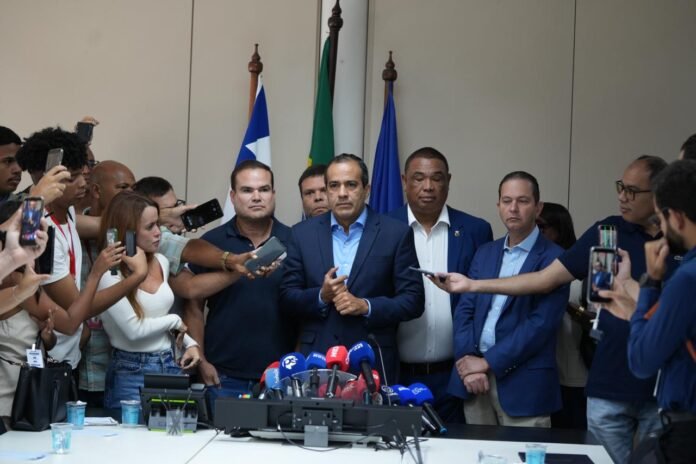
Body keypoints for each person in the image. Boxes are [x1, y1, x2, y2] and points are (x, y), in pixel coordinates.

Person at [434, 156, 674, 463]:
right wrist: (470, 349)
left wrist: (488, 361)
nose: (622, 197)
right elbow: (535, 284)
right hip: (608, 381)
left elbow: (541, 322)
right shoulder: (607, 231)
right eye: (621, 187)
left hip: (660, 382)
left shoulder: (680, 240)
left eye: (632, 191)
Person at [280, 154, 425, 382]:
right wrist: (321, 296)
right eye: (334, 186)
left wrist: (365, 306)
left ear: (366, 189)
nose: (342, 193)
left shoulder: (395, 233)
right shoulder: (301, 234)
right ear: (327, 191)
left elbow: (413, 301)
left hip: (372, 360)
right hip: (317, 361)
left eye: (351, 185)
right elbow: (287, 297)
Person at [441, 171, 568, 426]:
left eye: (523, 201)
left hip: (524, 386)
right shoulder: (485, 252)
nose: (513, 208)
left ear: (538, 207)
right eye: (507, 201)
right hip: (475, 382)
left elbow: (540, 325)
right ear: (498, 205)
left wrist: (487, 363)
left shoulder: (556, 259)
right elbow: (464, 311)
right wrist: (468, 364)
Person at [599, 159, 696, 463]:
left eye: (661, 218)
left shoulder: (687, 278)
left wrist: (651, 282)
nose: (660, 228)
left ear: (676, 217)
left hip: (686, 431)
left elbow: (642, 359)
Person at [388, 147, 492, 421]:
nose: (428, 186)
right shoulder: (383, 227)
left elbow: (483, 303)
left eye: (436, 178)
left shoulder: (475, 230)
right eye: (418, 178)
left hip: (455, 375)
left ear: (448, 181)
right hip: (397, 374)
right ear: (404, 181)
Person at [185, 160, 295, 402]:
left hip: (281, 375)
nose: (256, 197)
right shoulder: (211, 243)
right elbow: (193, 305)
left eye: (264, 189)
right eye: (247, 190)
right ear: (233, 197)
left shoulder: (295, 240)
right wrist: (201, 361)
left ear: (273, 194)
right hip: (222, 376)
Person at [98, 192, 201, 409]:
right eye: (150, 227)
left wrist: (190, 344)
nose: (158, 233)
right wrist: (175, 321)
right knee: (130, 431)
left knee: (172, 429)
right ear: (128, 233)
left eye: (158, 224)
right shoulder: (111, 276)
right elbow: (134, 331)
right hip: (131, 370)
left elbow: (158, 317)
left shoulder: (161, 261)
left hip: (169, 363)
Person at [77, 160, 136, 404]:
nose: (130, 194)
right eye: (123, 187)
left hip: (123, 367)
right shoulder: (69, 229)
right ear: (96, 190)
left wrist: (226, 259)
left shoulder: (138, 233)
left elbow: (182, 248)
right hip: (73, 360)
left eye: (133, 188)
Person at [537, 202, 587, 430]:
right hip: (540, 374)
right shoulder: (533, 264)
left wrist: (564, 304)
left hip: (573, 374)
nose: (535, 232)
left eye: (541, 227)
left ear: (560, 229)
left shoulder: (579, 271)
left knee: (572, 438)